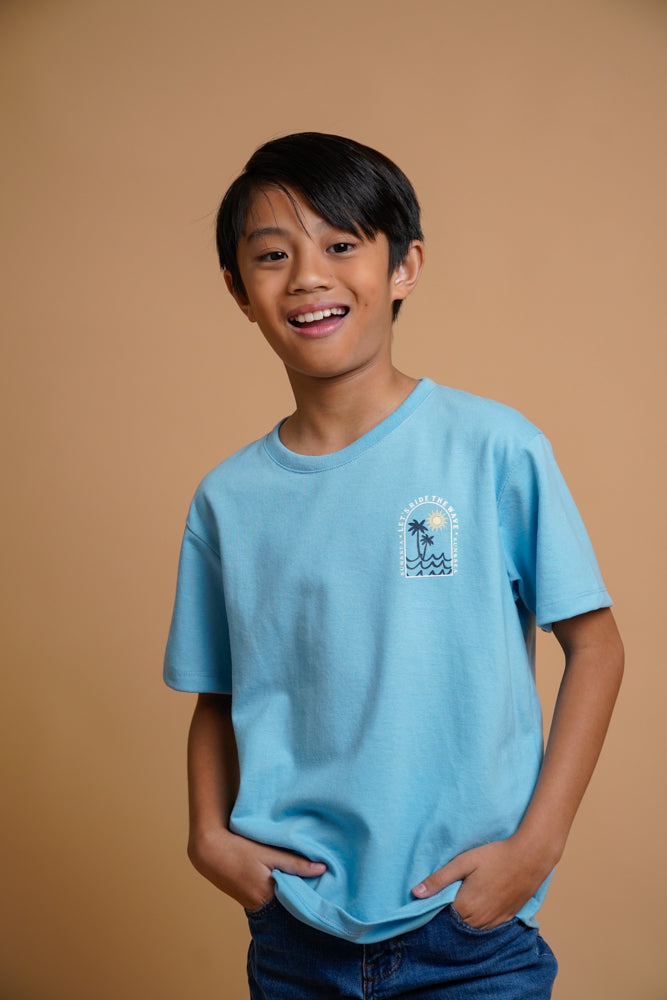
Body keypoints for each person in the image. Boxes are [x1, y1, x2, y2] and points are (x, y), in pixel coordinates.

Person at [164, 132, 624, 999]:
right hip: (295, 931)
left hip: (470, 932)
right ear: (238, 290)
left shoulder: (492, 448)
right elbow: (217, 695)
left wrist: (536, 846)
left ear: (404, 265)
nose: (308, 276)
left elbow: (596, 646)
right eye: (273, 255)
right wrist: (209, 839)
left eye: (341, 245)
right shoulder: (228, 498)